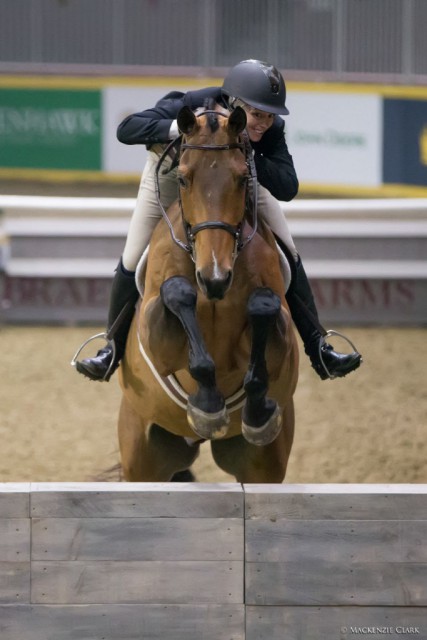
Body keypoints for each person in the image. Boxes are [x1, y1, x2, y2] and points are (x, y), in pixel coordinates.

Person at [75, 59, 362, 383]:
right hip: (174, 174)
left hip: (235, 178)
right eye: (257, 114)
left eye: (269, 116)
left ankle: (318, 348)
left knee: (289, 250)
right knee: (133, 254)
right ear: (234, 103)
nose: (264, 123)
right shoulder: (193, 102)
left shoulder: (269, 130)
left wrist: (245, 155)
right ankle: (110, 349)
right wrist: (184, 130)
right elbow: (126, 129)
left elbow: (288, 186)